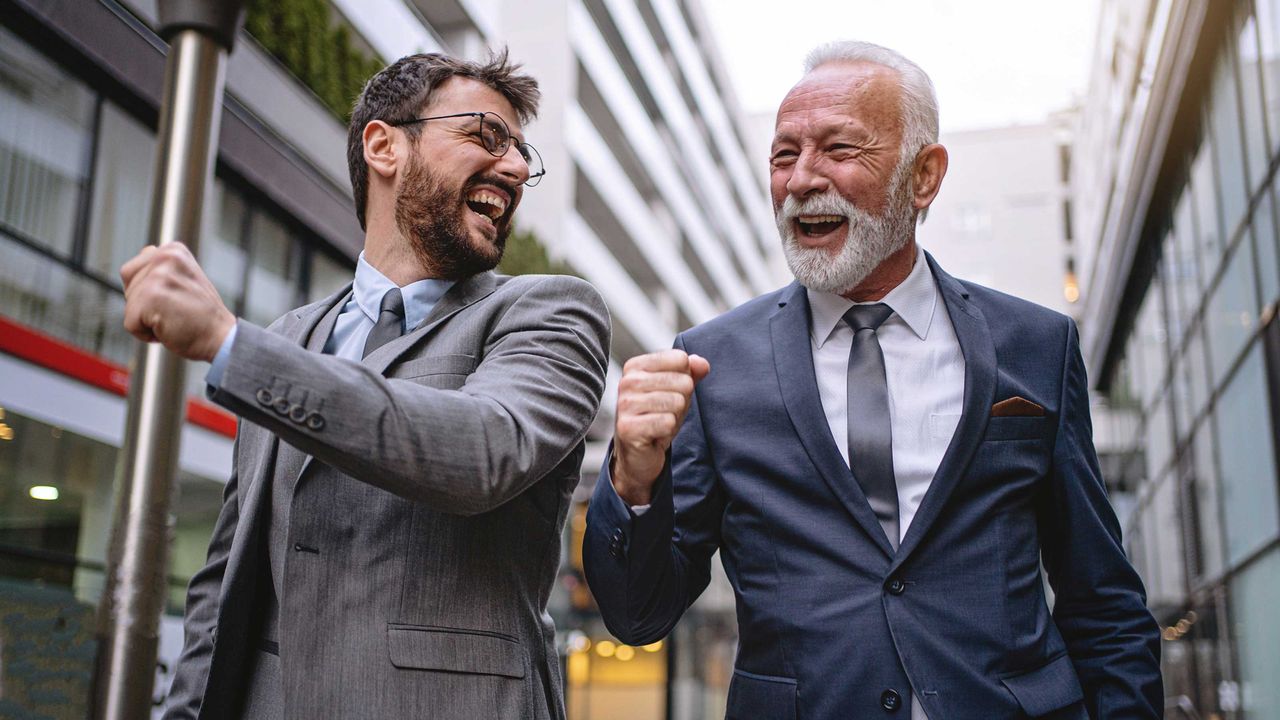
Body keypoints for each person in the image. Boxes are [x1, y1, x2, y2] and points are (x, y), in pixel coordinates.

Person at [584, 40, 1161, 720]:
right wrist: (634, 480)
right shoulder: (711, 363)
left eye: (838, 149)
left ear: (924, 176)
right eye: (783, 155)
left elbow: (1104, 604)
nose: (801, 180)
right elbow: (637, 614)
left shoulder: (1036, 345)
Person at [125, 52, 610, 719]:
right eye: (487, 137)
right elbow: (226, 585)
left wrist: (228, 344)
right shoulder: (291, 334)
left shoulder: (551, 311)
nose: (518, 168)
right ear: (384, 146)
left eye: (524, 152)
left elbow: (481, 451)